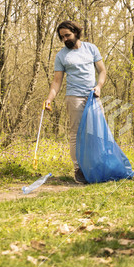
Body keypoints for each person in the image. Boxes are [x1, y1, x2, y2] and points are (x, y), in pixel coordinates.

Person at [44, 20, 107, 184]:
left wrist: (99, 86)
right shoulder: (61, 55)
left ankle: (98, 166)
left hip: (93, 96)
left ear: (76, 32)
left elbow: (102, 71)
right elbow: (57, 81)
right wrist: (49, 99)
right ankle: (79, 170)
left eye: (67, 35)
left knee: (98, 132)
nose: (65, 39)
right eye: (62, 37)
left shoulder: (91, 48)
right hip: (74, 97)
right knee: (76, 134)